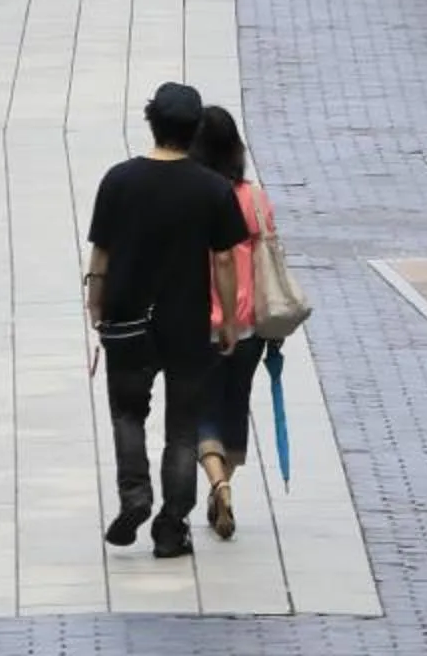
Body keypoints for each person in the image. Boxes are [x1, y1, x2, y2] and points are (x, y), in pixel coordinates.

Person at [86, 82, 251, 560]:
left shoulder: (118, 179)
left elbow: (103, 250)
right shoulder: (213, 189)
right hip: (185, 320)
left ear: (151, 121)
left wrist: (96, 300)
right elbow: (223, 260)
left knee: (127, 413)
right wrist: (225, 322)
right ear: (194, 129)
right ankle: (171, 525)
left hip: (127, 317)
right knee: (182, 427)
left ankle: (135, 495)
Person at [193, 104, 275, 544]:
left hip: (202, 320)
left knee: (201, 411)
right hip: (250, 324)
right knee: (235, 404)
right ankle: (227, 484)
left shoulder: (194, 197)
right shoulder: (255, 198)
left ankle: (217, 484)